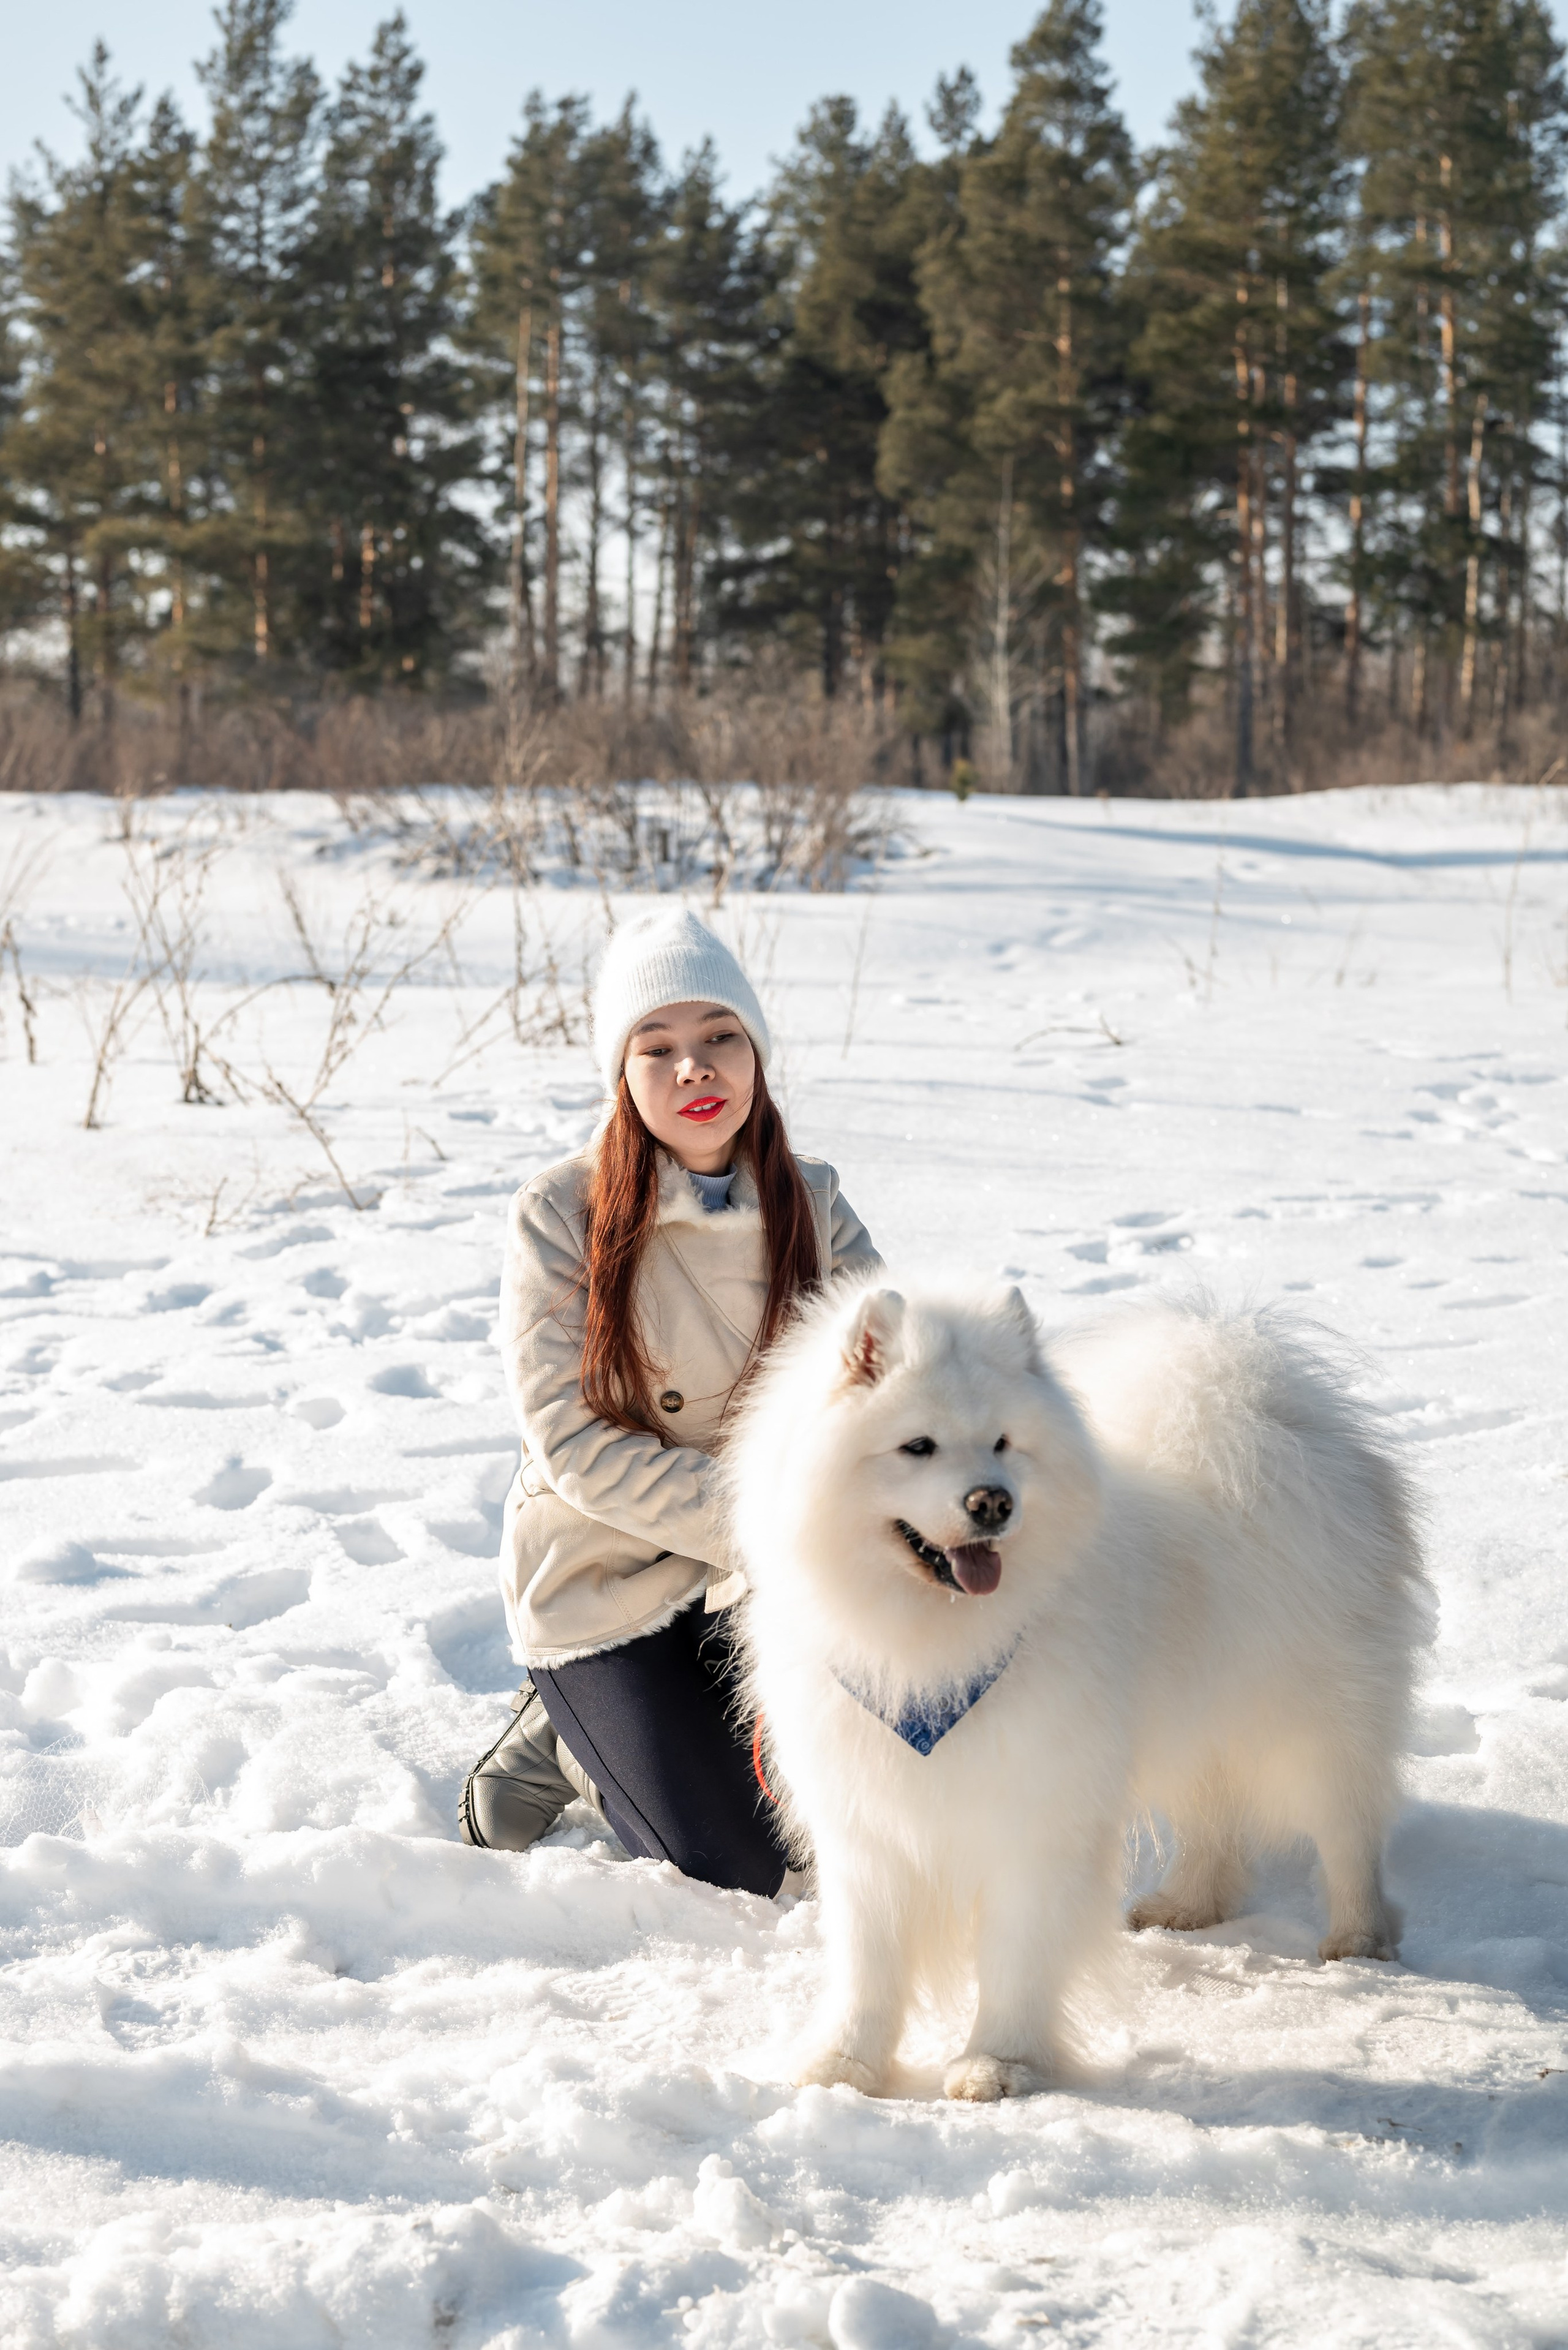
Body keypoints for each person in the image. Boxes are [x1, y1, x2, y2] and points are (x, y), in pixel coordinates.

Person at [459, 908, 880, 1895]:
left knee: (833, 1834)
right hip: (605, 1572)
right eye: (660, 1049)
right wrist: (768, 1522)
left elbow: (893, 1389)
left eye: (720, 1038)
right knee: (732, 1868)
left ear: (757, 1056)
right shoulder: (559, 1213)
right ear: (623, 1075)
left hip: (765, 1579)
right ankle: (563, 1737)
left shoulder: (812, 1205)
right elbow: (568, 1441)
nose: (695, 1069)